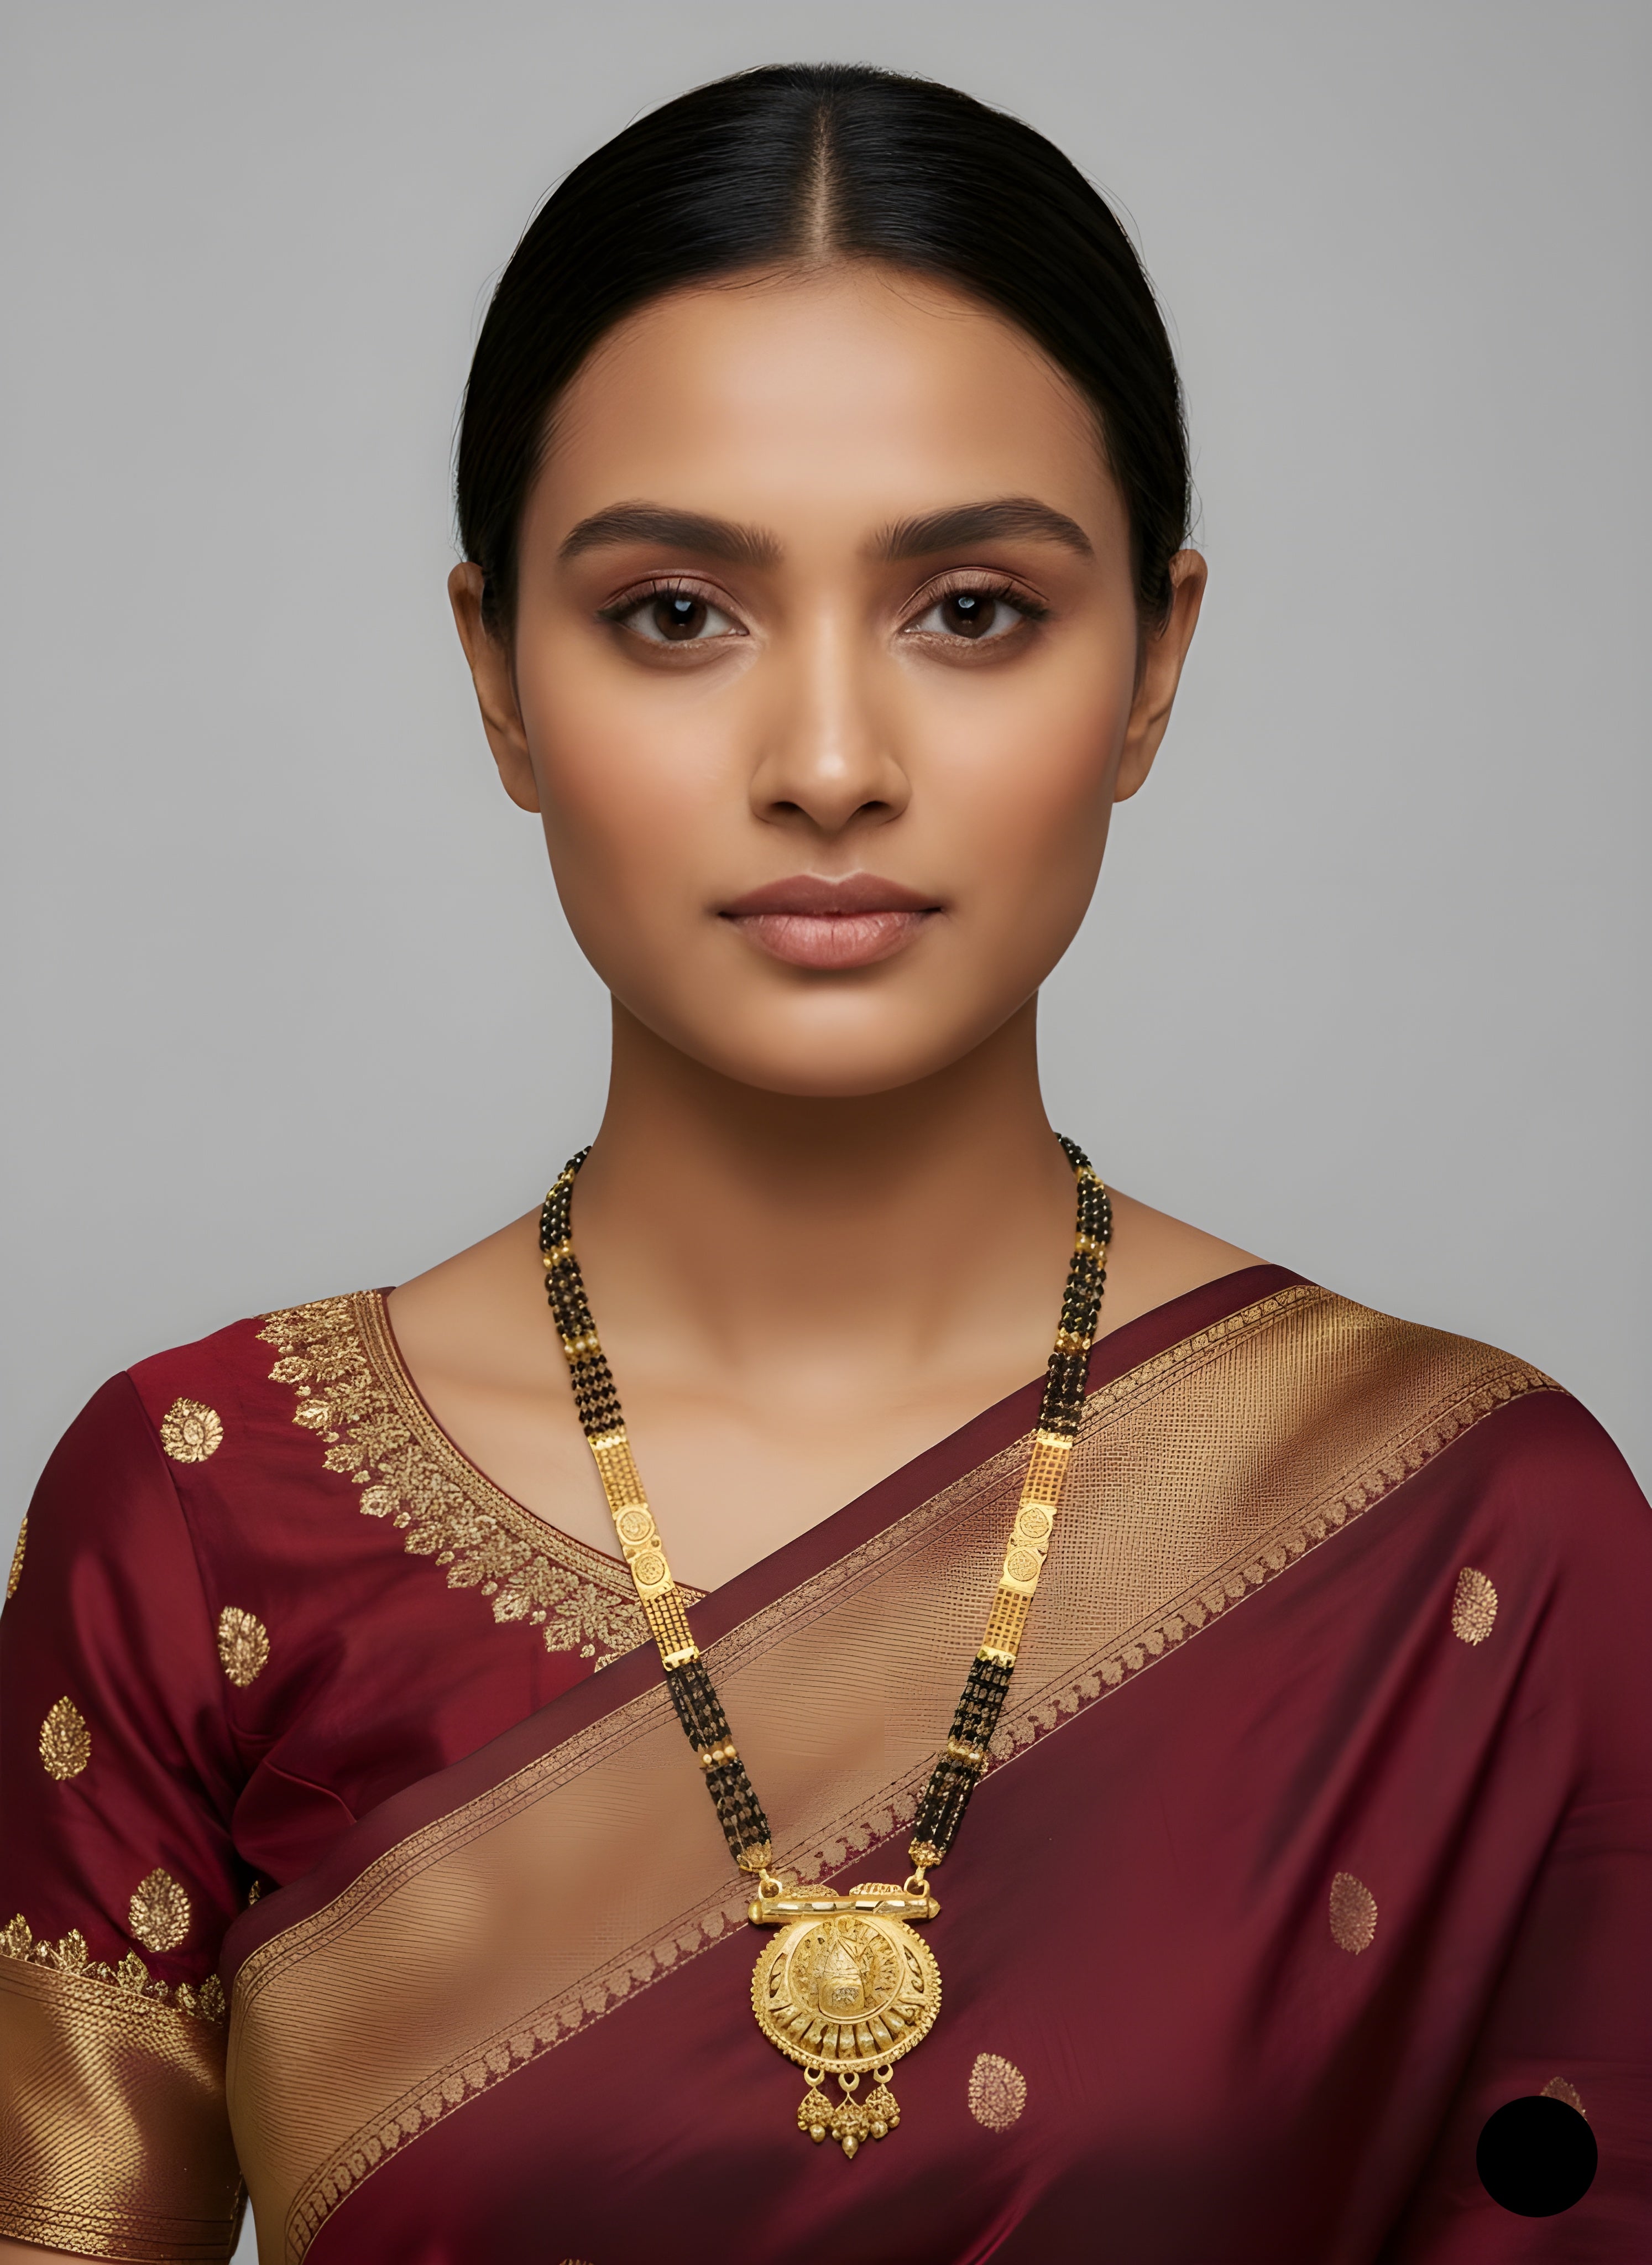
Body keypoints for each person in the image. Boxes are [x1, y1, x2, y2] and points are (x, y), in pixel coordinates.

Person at [1, 62, 1646, 2265]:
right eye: (679, 613)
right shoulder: (207, 1515)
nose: (834, 765)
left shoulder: (1471, 1531)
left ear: (1155, 663)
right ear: (495, 673)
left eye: (971, 607)